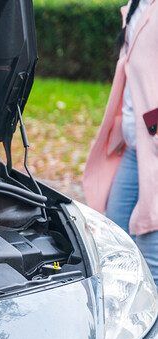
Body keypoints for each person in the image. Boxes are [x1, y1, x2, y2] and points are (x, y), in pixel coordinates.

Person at [83, 0, 158, 284]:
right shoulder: (137, 6)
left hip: (152, 149)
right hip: (134, 149)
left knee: (151, 255)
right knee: (116, 244)